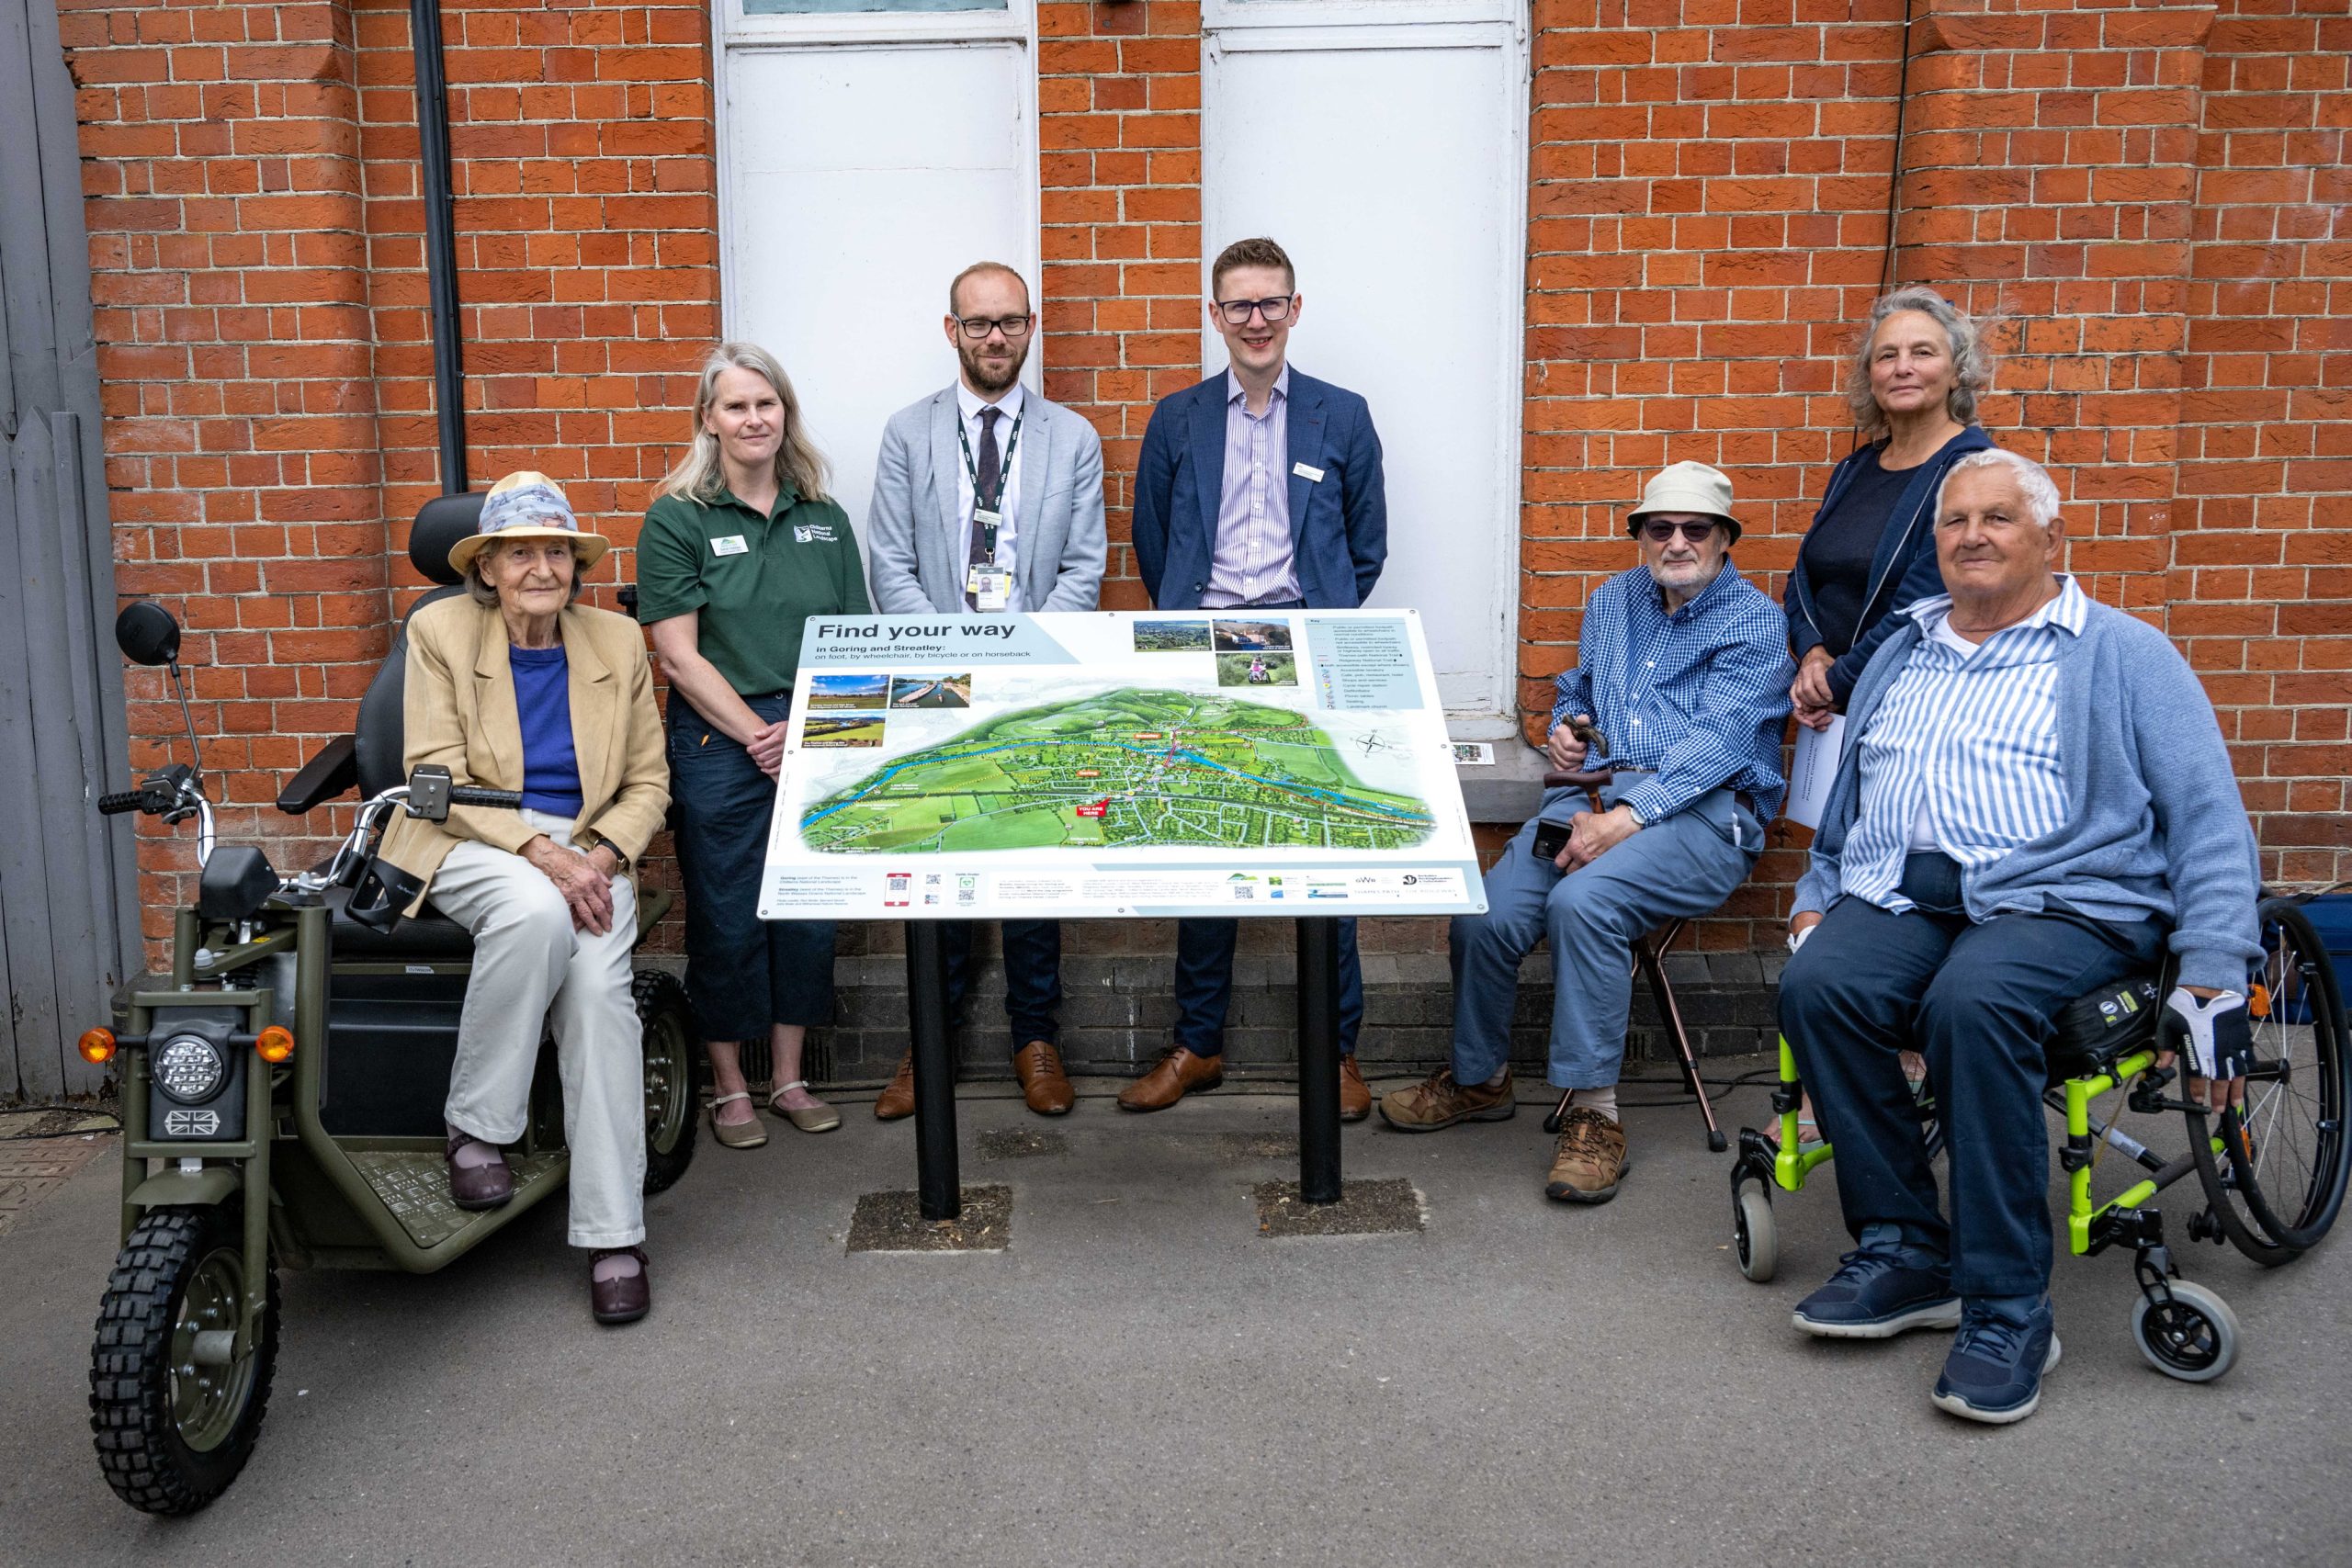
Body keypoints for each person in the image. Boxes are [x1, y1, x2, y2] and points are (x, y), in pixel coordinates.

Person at [1776, 448, 2261, 1425]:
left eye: (1997, 518)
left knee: (1974, 1002)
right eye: (1954, 521)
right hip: (1903, 892)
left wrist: (2214, 964)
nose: (1972, 537)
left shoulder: (2120, 653)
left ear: (2050, 537)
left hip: (2062, 899)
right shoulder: (1905, 647)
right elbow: (1853, 797)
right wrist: (1819, 890)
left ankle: (2006, 1304)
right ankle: (1906, 1249)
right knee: (1819, 986)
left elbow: (2208, 815)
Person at [1378, 462, 1792, 1202]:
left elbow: (1719, 746)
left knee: (1585, 903)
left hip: (1706, 812)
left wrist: (1625, 820)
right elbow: (1582, 691)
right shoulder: (1612, 601)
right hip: (1595, 794)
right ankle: (1480, 1079)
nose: (1677, 542)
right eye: (1659, 528)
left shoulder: (1754, 621)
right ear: (1640, 536)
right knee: (1486, 912)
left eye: (1696, 529)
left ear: (1726, 538)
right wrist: (1568, 730)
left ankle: (1596, 1119)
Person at [380, 471, 670, 1325]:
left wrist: (601, 856)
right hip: (470, 837)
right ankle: (479, 1124)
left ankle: (614, 1235)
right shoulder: (439, 629)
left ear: (576, 564)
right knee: (534, 907)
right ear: (487, 567)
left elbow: (648, 781)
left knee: (599, 998)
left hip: (589, 847)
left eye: (556, 551)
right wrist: (542, 854)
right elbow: (433, 777)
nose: (541, 568)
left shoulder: (616, 641)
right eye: (519, 553)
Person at [1126, 235, 1387, 1120]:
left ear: (1295, 308)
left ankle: (1337, 1051)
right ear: (1216, 315)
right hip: (1201, 649)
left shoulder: (1341, 415)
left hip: (1304, 648)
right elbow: (1154, 542)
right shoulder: (1179, 417)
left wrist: (1310, 622)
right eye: (1239, 304)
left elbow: (1365, 546)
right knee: (1204, 847)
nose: (1256, 319)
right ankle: (1198, 1044)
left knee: (1327, 843)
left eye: (1271, 301)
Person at [865, 261, 1106, 1119]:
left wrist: (1021, 663)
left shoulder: (1072, 437)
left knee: (1033, 856)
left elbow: (1083, 569)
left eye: (1010, 322)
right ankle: (928, 1043)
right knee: (940, 854)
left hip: (1034, 683)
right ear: (952, 330)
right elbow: (889, 563)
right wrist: (951, 661)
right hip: (940, 685)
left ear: (1030, 327)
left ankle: (1036, 1039)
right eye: (979, 323)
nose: (995, 338)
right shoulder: (908, 433)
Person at [638, 344, 871, 1149]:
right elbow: (677, 655)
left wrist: (803, 733)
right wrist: (758, 735)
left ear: (785, 414)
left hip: (816, 728)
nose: (753, 419)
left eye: (766, 404)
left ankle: (791, 1079)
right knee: (728, 912)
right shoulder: (677, 518)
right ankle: (730, 1085)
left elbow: (855, 641)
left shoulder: (824, 517)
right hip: (718, 737)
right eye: (735, 405)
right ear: (709, 419)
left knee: (805, 911)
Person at [1778, 288, 1996, 1142]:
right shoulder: (1857, 467)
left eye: (1922, 352)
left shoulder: (1969, 470)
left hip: (1911, 705)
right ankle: (1843, 1071)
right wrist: (1809, 655)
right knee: (1835, 869)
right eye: (1887, 355)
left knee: (1883, 878)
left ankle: (1892, 1067)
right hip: (1833, 702)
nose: (1903, 368)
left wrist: (1839, 682)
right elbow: (1804, 573)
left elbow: (1925, 600)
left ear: (1957, 368)